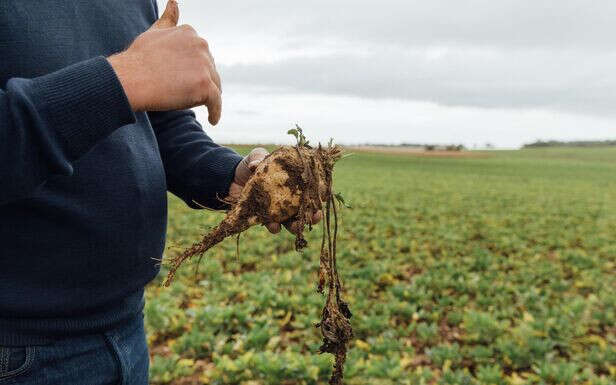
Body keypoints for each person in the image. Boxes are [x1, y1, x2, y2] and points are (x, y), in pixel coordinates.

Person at [0, 1, 320, 383]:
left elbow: (159, 123)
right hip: (17, 352)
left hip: (126, 331)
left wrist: (229, 175)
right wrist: (125, 77)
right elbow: (127, 85)